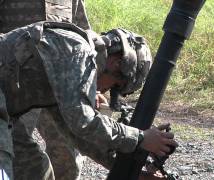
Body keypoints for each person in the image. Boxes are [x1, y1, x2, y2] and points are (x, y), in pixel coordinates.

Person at [0, 21, 178, 180]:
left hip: (6, 112)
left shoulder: (73, 66)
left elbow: (76, 133)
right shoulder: (78, 50)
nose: (104, 91)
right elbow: (82, 121)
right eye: (115, 85)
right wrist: (139, 138)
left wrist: (131, 170)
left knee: (35, 169)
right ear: (116, 63)